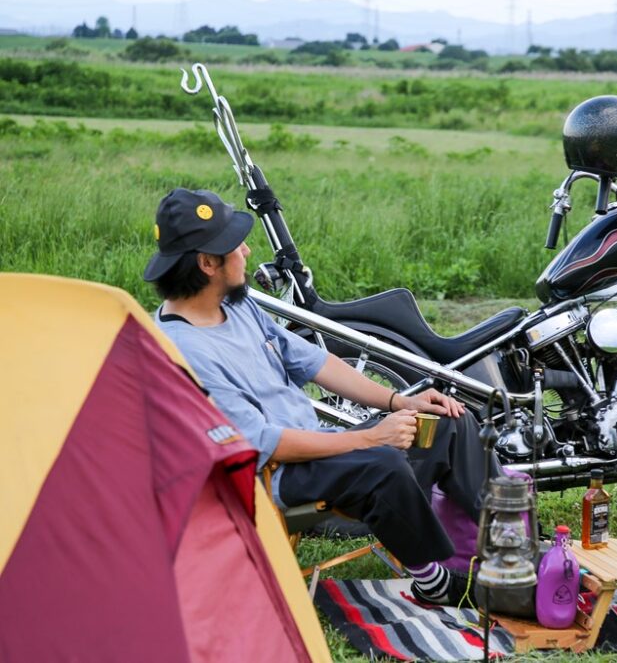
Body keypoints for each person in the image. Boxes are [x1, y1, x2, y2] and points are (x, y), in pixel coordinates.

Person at [144, 188, 497, 606]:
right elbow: (262, 443)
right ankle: (433, 581)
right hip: (273, 473)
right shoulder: (183, 350)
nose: (246, 248)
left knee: (447, 421)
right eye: (233, 245)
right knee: (382, 461)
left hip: (315, 446)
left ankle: (499, 551)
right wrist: (369, 438)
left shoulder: (236, 305)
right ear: (206, 264)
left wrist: (399, 402)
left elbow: (315, 363)